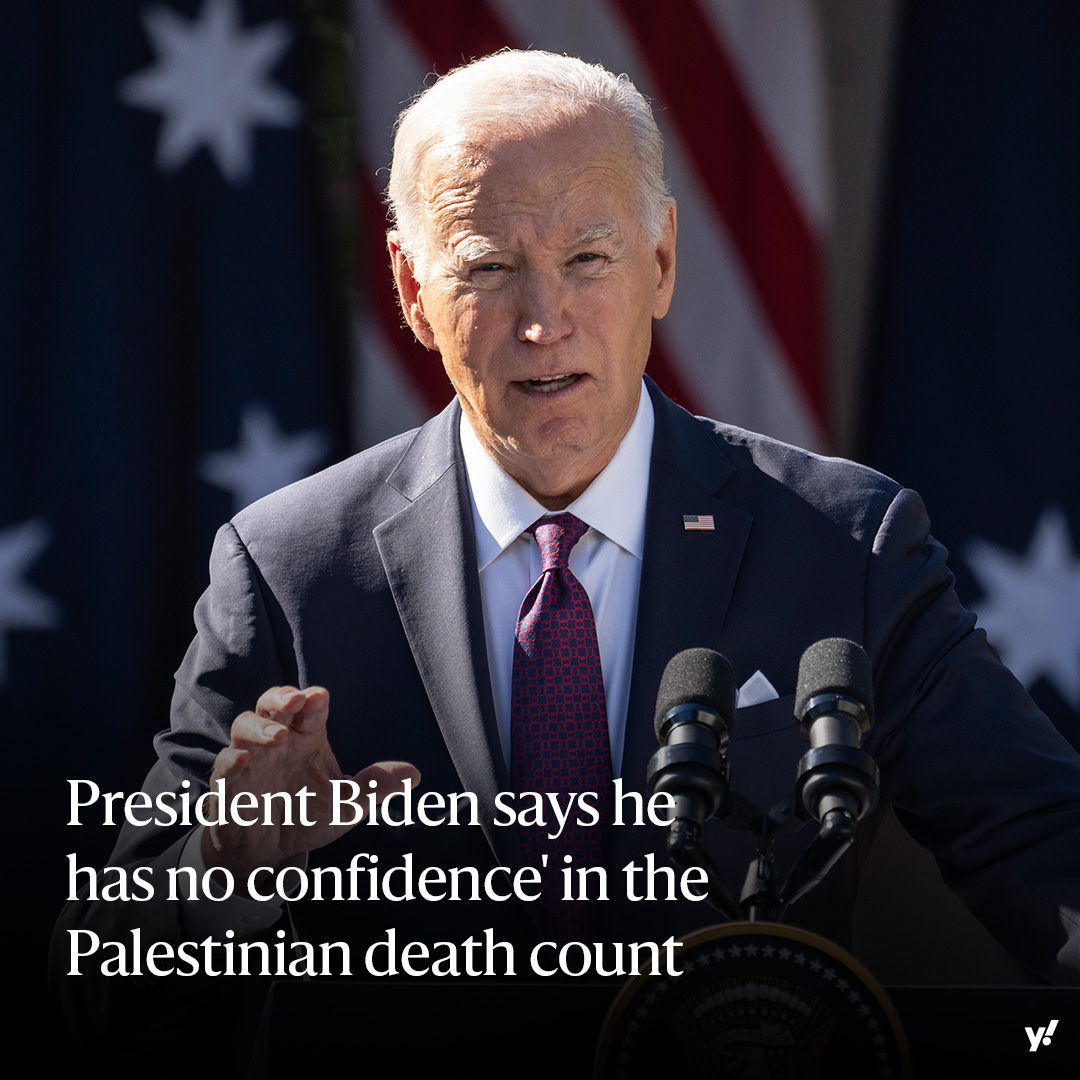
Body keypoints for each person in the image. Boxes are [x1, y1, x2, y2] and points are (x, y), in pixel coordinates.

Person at [54, 49, 1079, 1053]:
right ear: (411, 289)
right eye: (488, 268)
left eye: (588, 259)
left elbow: (1046, 854)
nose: (545, 322)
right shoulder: (290, 568)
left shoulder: (845, 542)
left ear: (661, 262)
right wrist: (224, 868)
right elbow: (106, 995)